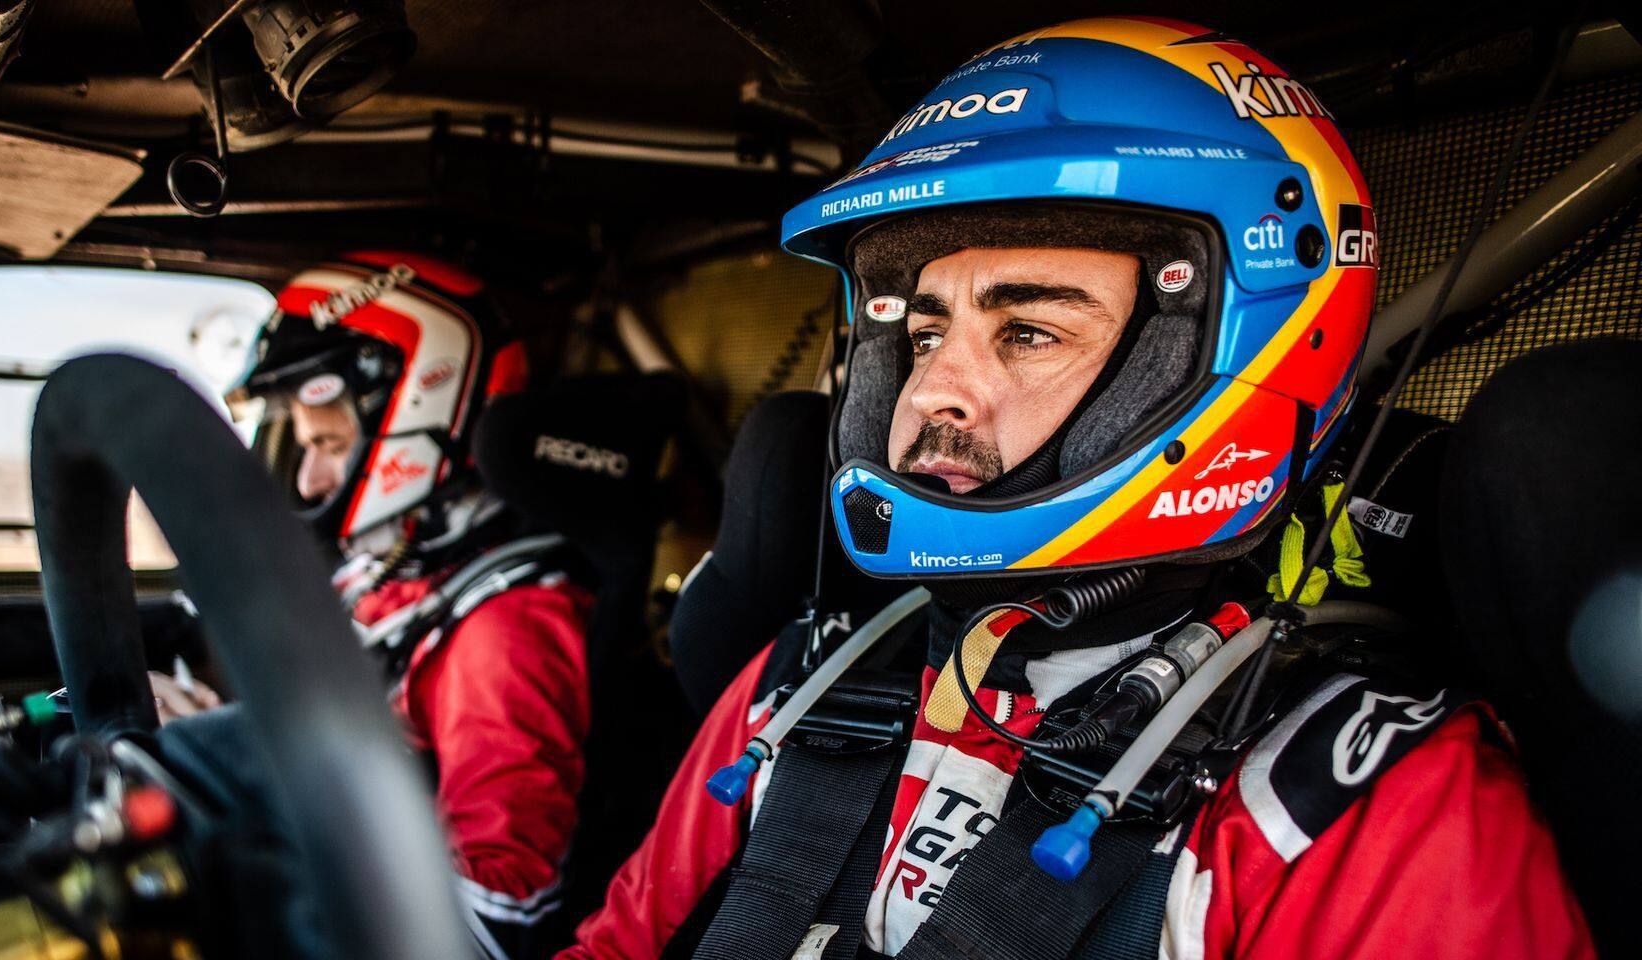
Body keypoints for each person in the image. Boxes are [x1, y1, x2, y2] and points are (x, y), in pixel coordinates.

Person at [559, 17, 1592, 960]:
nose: (931, 392)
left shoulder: (1357, 805)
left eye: (1028, 331)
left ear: (1215, 353)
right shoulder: (807, 682)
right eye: (923, 333)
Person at [234, 252, 586, 959]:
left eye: (329, 444)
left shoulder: (501, 631)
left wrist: (255, 879)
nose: (308, 481)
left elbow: (497, 915)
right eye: (306, 447)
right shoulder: (385, 574)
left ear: (419, 412)